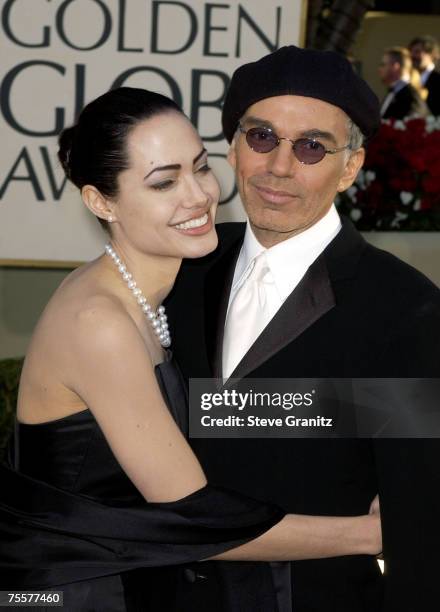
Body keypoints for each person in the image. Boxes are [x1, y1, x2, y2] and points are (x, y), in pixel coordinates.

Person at [0, 87, 381, 612]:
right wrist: (371, 534)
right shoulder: (99, 324)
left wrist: (388, 410)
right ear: (100, 201)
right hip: (71, 592)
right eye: (163, 182)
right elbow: (193, 516)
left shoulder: (163, 289)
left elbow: (212, 406)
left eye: (200, 167)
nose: (199, 196)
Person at [166, 46, 440, 611]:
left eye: (312, 146)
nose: (280, 166)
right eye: (262, 136)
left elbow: (418, 532)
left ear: (350, 168)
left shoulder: (408, 309)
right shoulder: (179, 274)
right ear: (234, 145)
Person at [378, 46, 428, 119]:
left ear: (395, 66)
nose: (379, 69)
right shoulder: (392, 92)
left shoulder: (411, 96)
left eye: (383, 64)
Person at [409, 35, 440, 116]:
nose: (412, 56)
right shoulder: (409, 81)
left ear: (433, 54)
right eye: (411, 52)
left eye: (417, 51)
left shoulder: (437, 79)